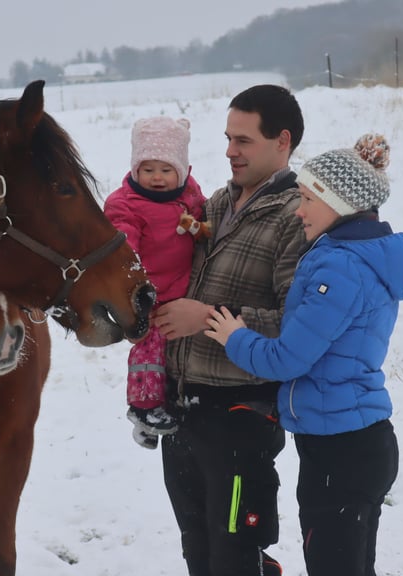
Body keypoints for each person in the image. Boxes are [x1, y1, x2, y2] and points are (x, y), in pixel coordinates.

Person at [204, 134, 403, 576]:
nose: (299, 210)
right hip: (358, 440)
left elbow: (288, 358)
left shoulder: (340, 266)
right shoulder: (362, 255)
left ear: (339, 204)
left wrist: (234, 335)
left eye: (306, 199)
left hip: (340, 452)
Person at [152, 85, 306, 576]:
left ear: (282, 142)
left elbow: (294, 325)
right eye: (227, 138)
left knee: (236, 557)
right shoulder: (216, 205)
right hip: (183, 409)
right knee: (198, 553)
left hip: (241, 416)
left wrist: (208, 318)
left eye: (243, 140)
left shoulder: (296, 216)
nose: (229, 151)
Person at [104, 116, 206, 449]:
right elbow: (123, 244)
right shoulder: (126, 204)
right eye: (147, 169)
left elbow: (205, 217)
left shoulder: (190, 196)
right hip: (149, 296)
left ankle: (162, 410)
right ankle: (143, 408)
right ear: (135, 169)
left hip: (183, 291)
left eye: (166, 169)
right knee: (149, 350)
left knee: (173, 357)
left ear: (183, 169)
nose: (157, 178)